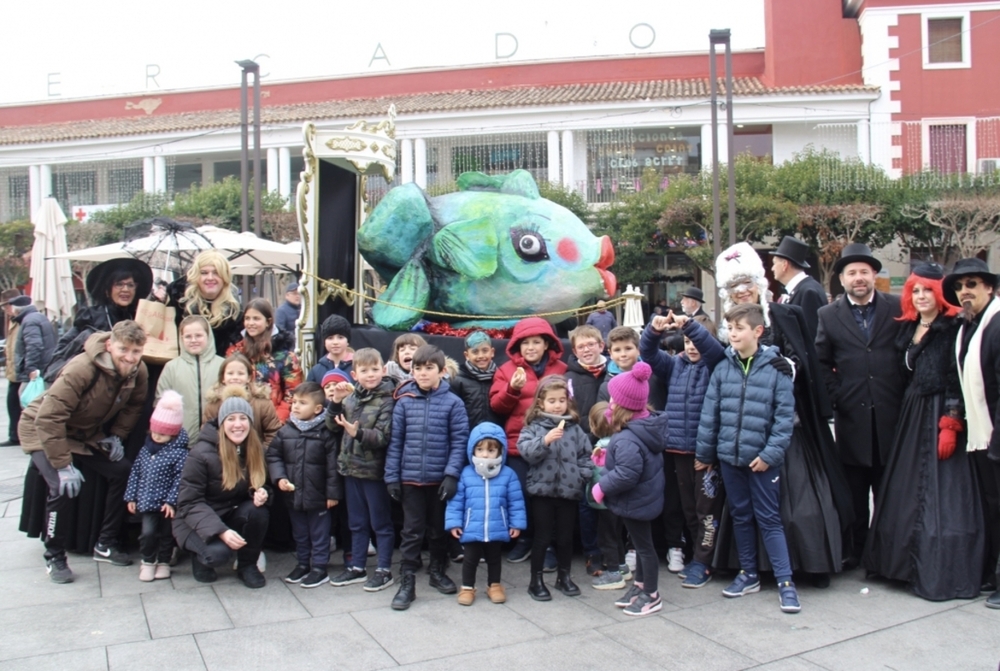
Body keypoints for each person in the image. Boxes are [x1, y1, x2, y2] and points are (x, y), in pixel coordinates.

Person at [716, 242, 851, 586]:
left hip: (789, 429)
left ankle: (805, 564)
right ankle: (752, 567)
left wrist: (789, 366)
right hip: (744, 432)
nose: (743, 290)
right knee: (747, 507)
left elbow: (807, 358)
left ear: (760, 283)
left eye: (747, 282)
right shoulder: (726, 330)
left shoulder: (786, 315)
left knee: (801, 505)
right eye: (734, 286)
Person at [863, 263, 983, 601]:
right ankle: (898, 565)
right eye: (915, 291)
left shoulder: (952, 328)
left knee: (941, 493)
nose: (921, 296)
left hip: (938, 411)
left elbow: (956, 377)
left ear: (939, 293)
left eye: (927, 289)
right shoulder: (908, 329)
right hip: (912, 413)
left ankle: (938, 569)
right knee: (905, 489)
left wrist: (951, 421)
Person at [19, 320, 149, 583]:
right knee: (62, 487)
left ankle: (106, 542)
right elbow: (48, 417)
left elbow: (134, 406)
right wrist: (63, 465)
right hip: (43, 430)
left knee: (121, 471)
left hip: (84, 434)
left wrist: (117, 437)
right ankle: (54, 556)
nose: (130, 357)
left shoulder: (138, 370)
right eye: (124, 349)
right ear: (110, 345)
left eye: (136, 352)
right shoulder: (82, 367)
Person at [697, 303, 800, 613]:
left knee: (769, 519)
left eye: (739, 328)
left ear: (757, 331)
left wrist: (770, 454)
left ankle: (785, 582)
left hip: (763, 462)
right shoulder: (723, 367)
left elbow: (785, 418)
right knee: (741, 515)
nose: (732, 334)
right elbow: (710, 413)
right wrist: (705, 454)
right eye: (730, 328)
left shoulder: (776, 368)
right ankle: (748, 573)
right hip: (730, 458)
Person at [815, 243, 905, 569]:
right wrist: (837, 394)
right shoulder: (828, 315)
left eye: (864, 272)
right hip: (851, 419)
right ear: (842, 278)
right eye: (852, 273)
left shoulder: (896, 308)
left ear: (874, 275)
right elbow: (821, 361)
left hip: (891, 416)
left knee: (890, 491)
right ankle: (858, 550)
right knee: (855, 493)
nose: (859, 278)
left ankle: (886, 555)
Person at [641, 311, 726, 588]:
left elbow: (713, 349)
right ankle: (695, 556)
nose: (691, 346)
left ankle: (703, 562)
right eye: (687, 340)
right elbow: (649, 355)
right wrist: (653, 331)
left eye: (696, 340)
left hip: (704, 455)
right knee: (689, 509)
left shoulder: (716, 364)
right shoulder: (675, 365)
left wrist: (689, 323)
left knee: (706, 510)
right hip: (677, 450)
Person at [384, 344, 469, 610]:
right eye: (417, 368)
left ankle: (436, 570)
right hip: (410, 479)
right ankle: (407, 581)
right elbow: (395, 442)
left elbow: (459, 442)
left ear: (442, 371)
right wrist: (392, 477)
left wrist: (451, 475)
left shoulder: (453, 403)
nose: (422, 373)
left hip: (439, 480)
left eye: (429, 368)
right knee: (411, 531)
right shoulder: (404, 402)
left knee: (437, 530)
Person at [941, 258, 1000, 608]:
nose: (965, 291)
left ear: (990, 288)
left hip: (994, 436)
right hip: (981, 434)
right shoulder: (969, 327)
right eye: (961, 286)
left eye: (973, 284)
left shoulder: (995, 324)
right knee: (992, 508)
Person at [591, 362, 670, 616]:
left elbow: (627, 473)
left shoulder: (627, 437)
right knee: (639, 544)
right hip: (645, 497)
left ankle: (652, 594)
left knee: (644, 548)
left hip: (635, 500)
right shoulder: (642, 426)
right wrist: (607, 459)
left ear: (622, 404)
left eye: (613, 398)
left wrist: (601, 486)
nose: (610, 402)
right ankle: (640, 585)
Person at [173, 386, 270, 588]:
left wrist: (261, 493)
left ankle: (247, 565)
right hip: (192, 520)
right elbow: (189, 502)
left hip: (227, 513)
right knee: (218, 555)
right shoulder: (201, 454)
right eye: (231, 419)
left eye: (243, 419)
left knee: (258, 512)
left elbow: (262, 485)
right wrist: (221, 532)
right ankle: (199, 555)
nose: (238, 425)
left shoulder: (254, 448)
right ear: (221, 423)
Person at [490, 317, 568, 563]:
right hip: (518, 446)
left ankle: (548, 546)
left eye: (536, 342)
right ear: (517, 346)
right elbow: (497, 406)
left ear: (547, 344)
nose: (531, 347)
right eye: (525, 343)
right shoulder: (506, 370)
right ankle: (525, 539)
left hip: (553, 444)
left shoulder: (562, 370)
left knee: (550, 496)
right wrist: (511, 389)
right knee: (522, 494)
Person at [325, 348, 397, 592]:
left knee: (381, 523)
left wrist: (358, 433)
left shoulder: (388, 399)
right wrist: (335, 402)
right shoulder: (351, 397)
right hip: (350, 469)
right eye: (364, 371)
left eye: (375, 369)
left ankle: (384, 569)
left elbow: (383, 436)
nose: (370, 375)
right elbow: (332, 427)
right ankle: (357, 566)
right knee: (356, 522)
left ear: (383, 370)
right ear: (354, 374)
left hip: (373, 472)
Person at [517, 375, 592, 601]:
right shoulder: (534, 427)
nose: (557, 405)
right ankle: (536, 580)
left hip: (569, 491)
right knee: (542, 537)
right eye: (552, 400)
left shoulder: (575, 429)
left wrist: (582, 476)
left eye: (562, 400)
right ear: (541, 402)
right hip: (542, 491)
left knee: (565, 537)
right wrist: (545, 441)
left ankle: (564, 576)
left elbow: (586, 456)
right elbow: (526, 452)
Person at [267, 382, 341, 589]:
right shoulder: (286, 431)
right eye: (294, 402)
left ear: (318, 409)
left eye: (302, 403)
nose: (296, 407)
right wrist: (279, 477)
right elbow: (273, 456)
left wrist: (332, 494)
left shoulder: (326, 432)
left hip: (319, 497)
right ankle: (302, 564)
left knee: (319, 534)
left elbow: (333, 466)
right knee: (299, 532)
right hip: (294, 496)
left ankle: (319, 567)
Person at [445, 422, 527, 606]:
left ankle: (494, 585)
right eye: (480, 449)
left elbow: (516, 501)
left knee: (494, 558)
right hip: (472, 526)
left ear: (500, 451)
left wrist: (516, 524)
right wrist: (454, 523)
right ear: (472, 450)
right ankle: (467, 587)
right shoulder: (466, 473)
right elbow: (456, 502)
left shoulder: (508, 474)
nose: (485, 454)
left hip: (497, 525)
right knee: (470, 559)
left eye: (491, 450)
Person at [45, 258, 153, 382]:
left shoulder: (139, 317)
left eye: (130, 285)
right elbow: (64, 350)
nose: (125, 289)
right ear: (107, 290)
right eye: (119, 284)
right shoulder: (91, 316)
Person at [124, 390, 189, 582]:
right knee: (148, 532)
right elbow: (135, 473)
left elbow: (180, 479)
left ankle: (164, 561)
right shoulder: (145, 450)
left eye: (163, 434)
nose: (158, 437)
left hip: (166, 505)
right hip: (147, 502)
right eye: (155, 432)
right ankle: (147, 561)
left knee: (167, 534)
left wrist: (171, 501)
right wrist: (131, 496)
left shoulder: (179, 453)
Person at [564, 324, 609, 576]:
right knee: (586, 501)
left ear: (601, 345)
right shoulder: (569, 377)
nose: (586, 349)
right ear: (575, 350)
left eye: (591, 344)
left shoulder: (612, 372)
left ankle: (612, 549)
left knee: (610, 499)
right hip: (583, 447)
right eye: (581, 346)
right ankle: (591, 551)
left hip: (611, 445)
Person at [226, 298, 303, 423]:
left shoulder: (286, 357)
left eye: (256, 318)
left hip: (274, 420)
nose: (250, 323)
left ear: (268, 322)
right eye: (247, 318)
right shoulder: (235, 353)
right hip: (239, 420)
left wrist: (275, 421)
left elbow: (293, 393)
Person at [586, 402, 632, 590]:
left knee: (606, 537)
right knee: (617, 534)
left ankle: (613, 572)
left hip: (604, 501)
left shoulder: (602, 448)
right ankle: (622, 566)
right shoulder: (621, 443)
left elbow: (596, 474)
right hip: (619, 500)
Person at [156, 315, 223, 440]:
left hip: (216, 438)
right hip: (180, 440)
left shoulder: (222, 365)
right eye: (188, 336)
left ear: (208, 336)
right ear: (181, 339)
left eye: (198, 335)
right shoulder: (171, 367)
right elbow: (160, 403)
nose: (193, 340)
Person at [169, 250, 244, 356]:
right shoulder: (178, 300)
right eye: (204, 273)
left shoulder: (234, 310)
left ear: (224, 277)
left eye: (216, 272)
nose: (210, 278)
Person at [203, 354, 281, 450]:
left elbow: (273, 432)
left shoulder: (263, 403)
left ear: (248, 377)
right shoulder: (213, 404)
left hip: (256, 457)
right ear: (223, 378)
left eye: (240, 373)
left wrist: (262, 453)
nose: (235, 377)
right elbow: (207, 434)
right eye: (230, 373)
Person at [770, 235, 827, 342]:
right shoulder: (801, 289)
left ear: (784, 265)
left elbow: (812, 337)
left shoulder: (808, 292)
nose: (772, 268)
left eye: (774, 263)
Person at [448, 331, 502, 430]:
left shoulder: (501, 377)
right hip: (467, 434)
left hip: (495, 436)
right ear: (467, 355)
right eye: (475, 352)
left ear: (492, 352)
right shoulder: (457, 379)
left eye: (485, 350)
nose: (481, 356)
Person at [10, 295, 56, 395]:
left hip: (38, 370)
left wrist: (31, 368)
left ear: (17, 310)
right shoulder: (39, 317)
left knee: (27, 398)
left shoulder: (29, 321)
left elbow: (34, 345)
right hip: (46, 368)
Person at [1, 289, 22, 446]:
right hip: (14, 371)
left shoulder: (22, 321)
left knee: (17, 403)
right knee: (12, 403)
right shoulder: (14, 321)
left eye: (5, 306)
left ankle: (17, 435)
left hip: (20, 371)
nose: (5, 310)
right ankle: (15, 434)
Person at [306, 314, 353, 384]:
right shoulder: (316, 371)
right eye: (330, 338)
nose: (335, 342)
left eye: (340, 337)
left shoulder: (359, 367)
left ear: (347, 341)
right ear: (324, 342)